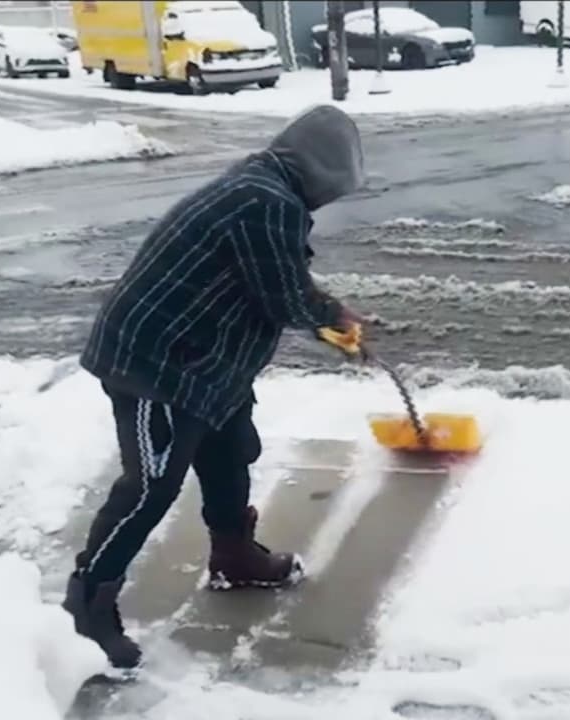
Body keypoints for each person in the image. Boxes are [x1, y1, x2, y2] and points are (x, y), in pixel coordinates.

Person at [62, 104, 366, 669]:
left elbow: (270, 280)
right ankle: (87, 604)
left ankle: (233, 554)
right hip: (159, 363)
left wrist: (324, 315)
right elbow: (286, 297)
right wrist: (333, 315)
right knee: (150, 486)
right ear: (321, 172)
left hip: (207, 362)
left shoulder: (263, 187)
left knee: (230, 449)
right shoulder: (266, 203)